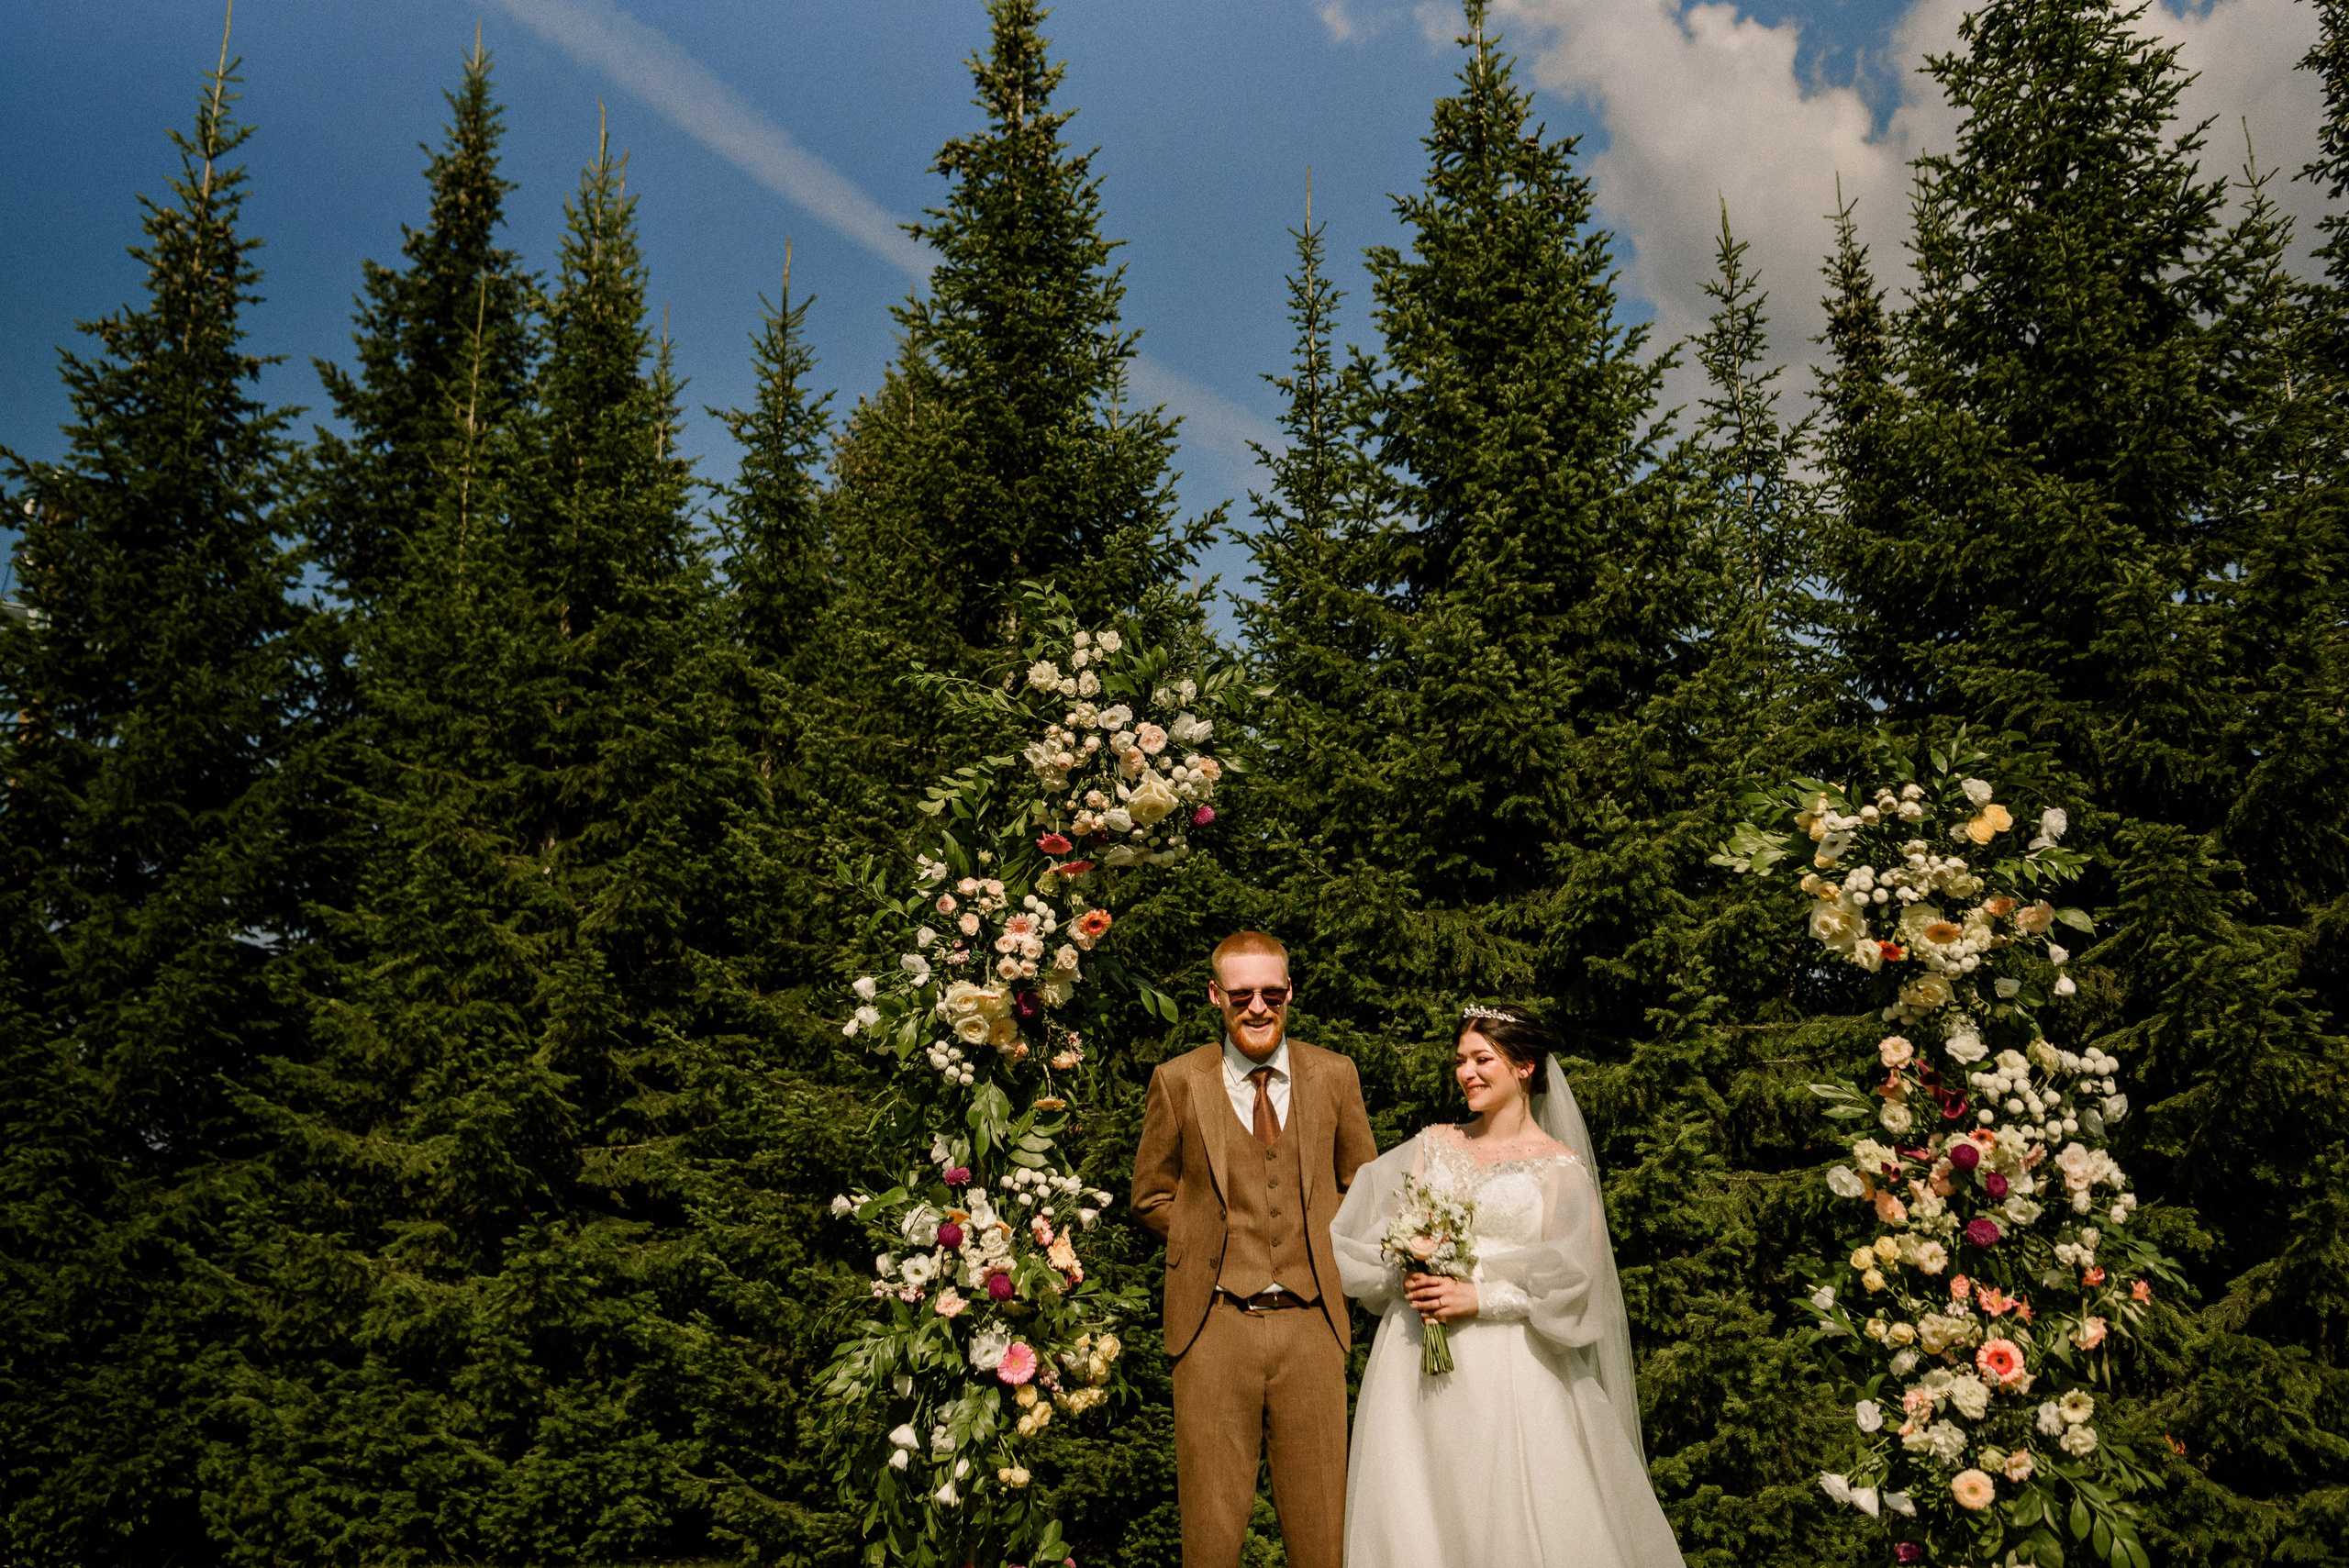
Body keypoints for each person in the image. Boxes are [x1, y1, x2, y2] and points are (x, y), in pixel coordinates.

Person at [1332, 1005, 1687, 1567]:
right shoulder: (1431, 1145)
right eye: (1460, 1060)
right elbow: (1369, 1231)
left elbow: (1576, 1284)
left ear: (1525, 1067)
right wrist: (1407, 1271)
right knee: (1417, 1505)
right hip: (1413, 1358)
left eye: (1482, 1059)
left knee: (1503, 1510)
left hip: (1511, 1367)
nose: (1466, 1073)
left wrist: (1481, 1298)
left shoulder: (1560, 1169)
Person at [1130, 931, 1379, 1568]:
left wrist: (1329, 1248)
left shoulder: (1335, 1074)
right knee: (1210, 1542)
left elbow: (1364, 1187)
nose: (1258, 1007)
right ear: (1217, 996)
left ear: (1290, 991)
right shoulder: (1178, 1080)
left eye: (1271, 992)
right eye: (1242, 995)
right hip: (1212, 1327)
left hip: (1312, 1326)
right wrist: (1209, 1243)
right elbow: (1150, 1195)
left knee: (1324, 1539)